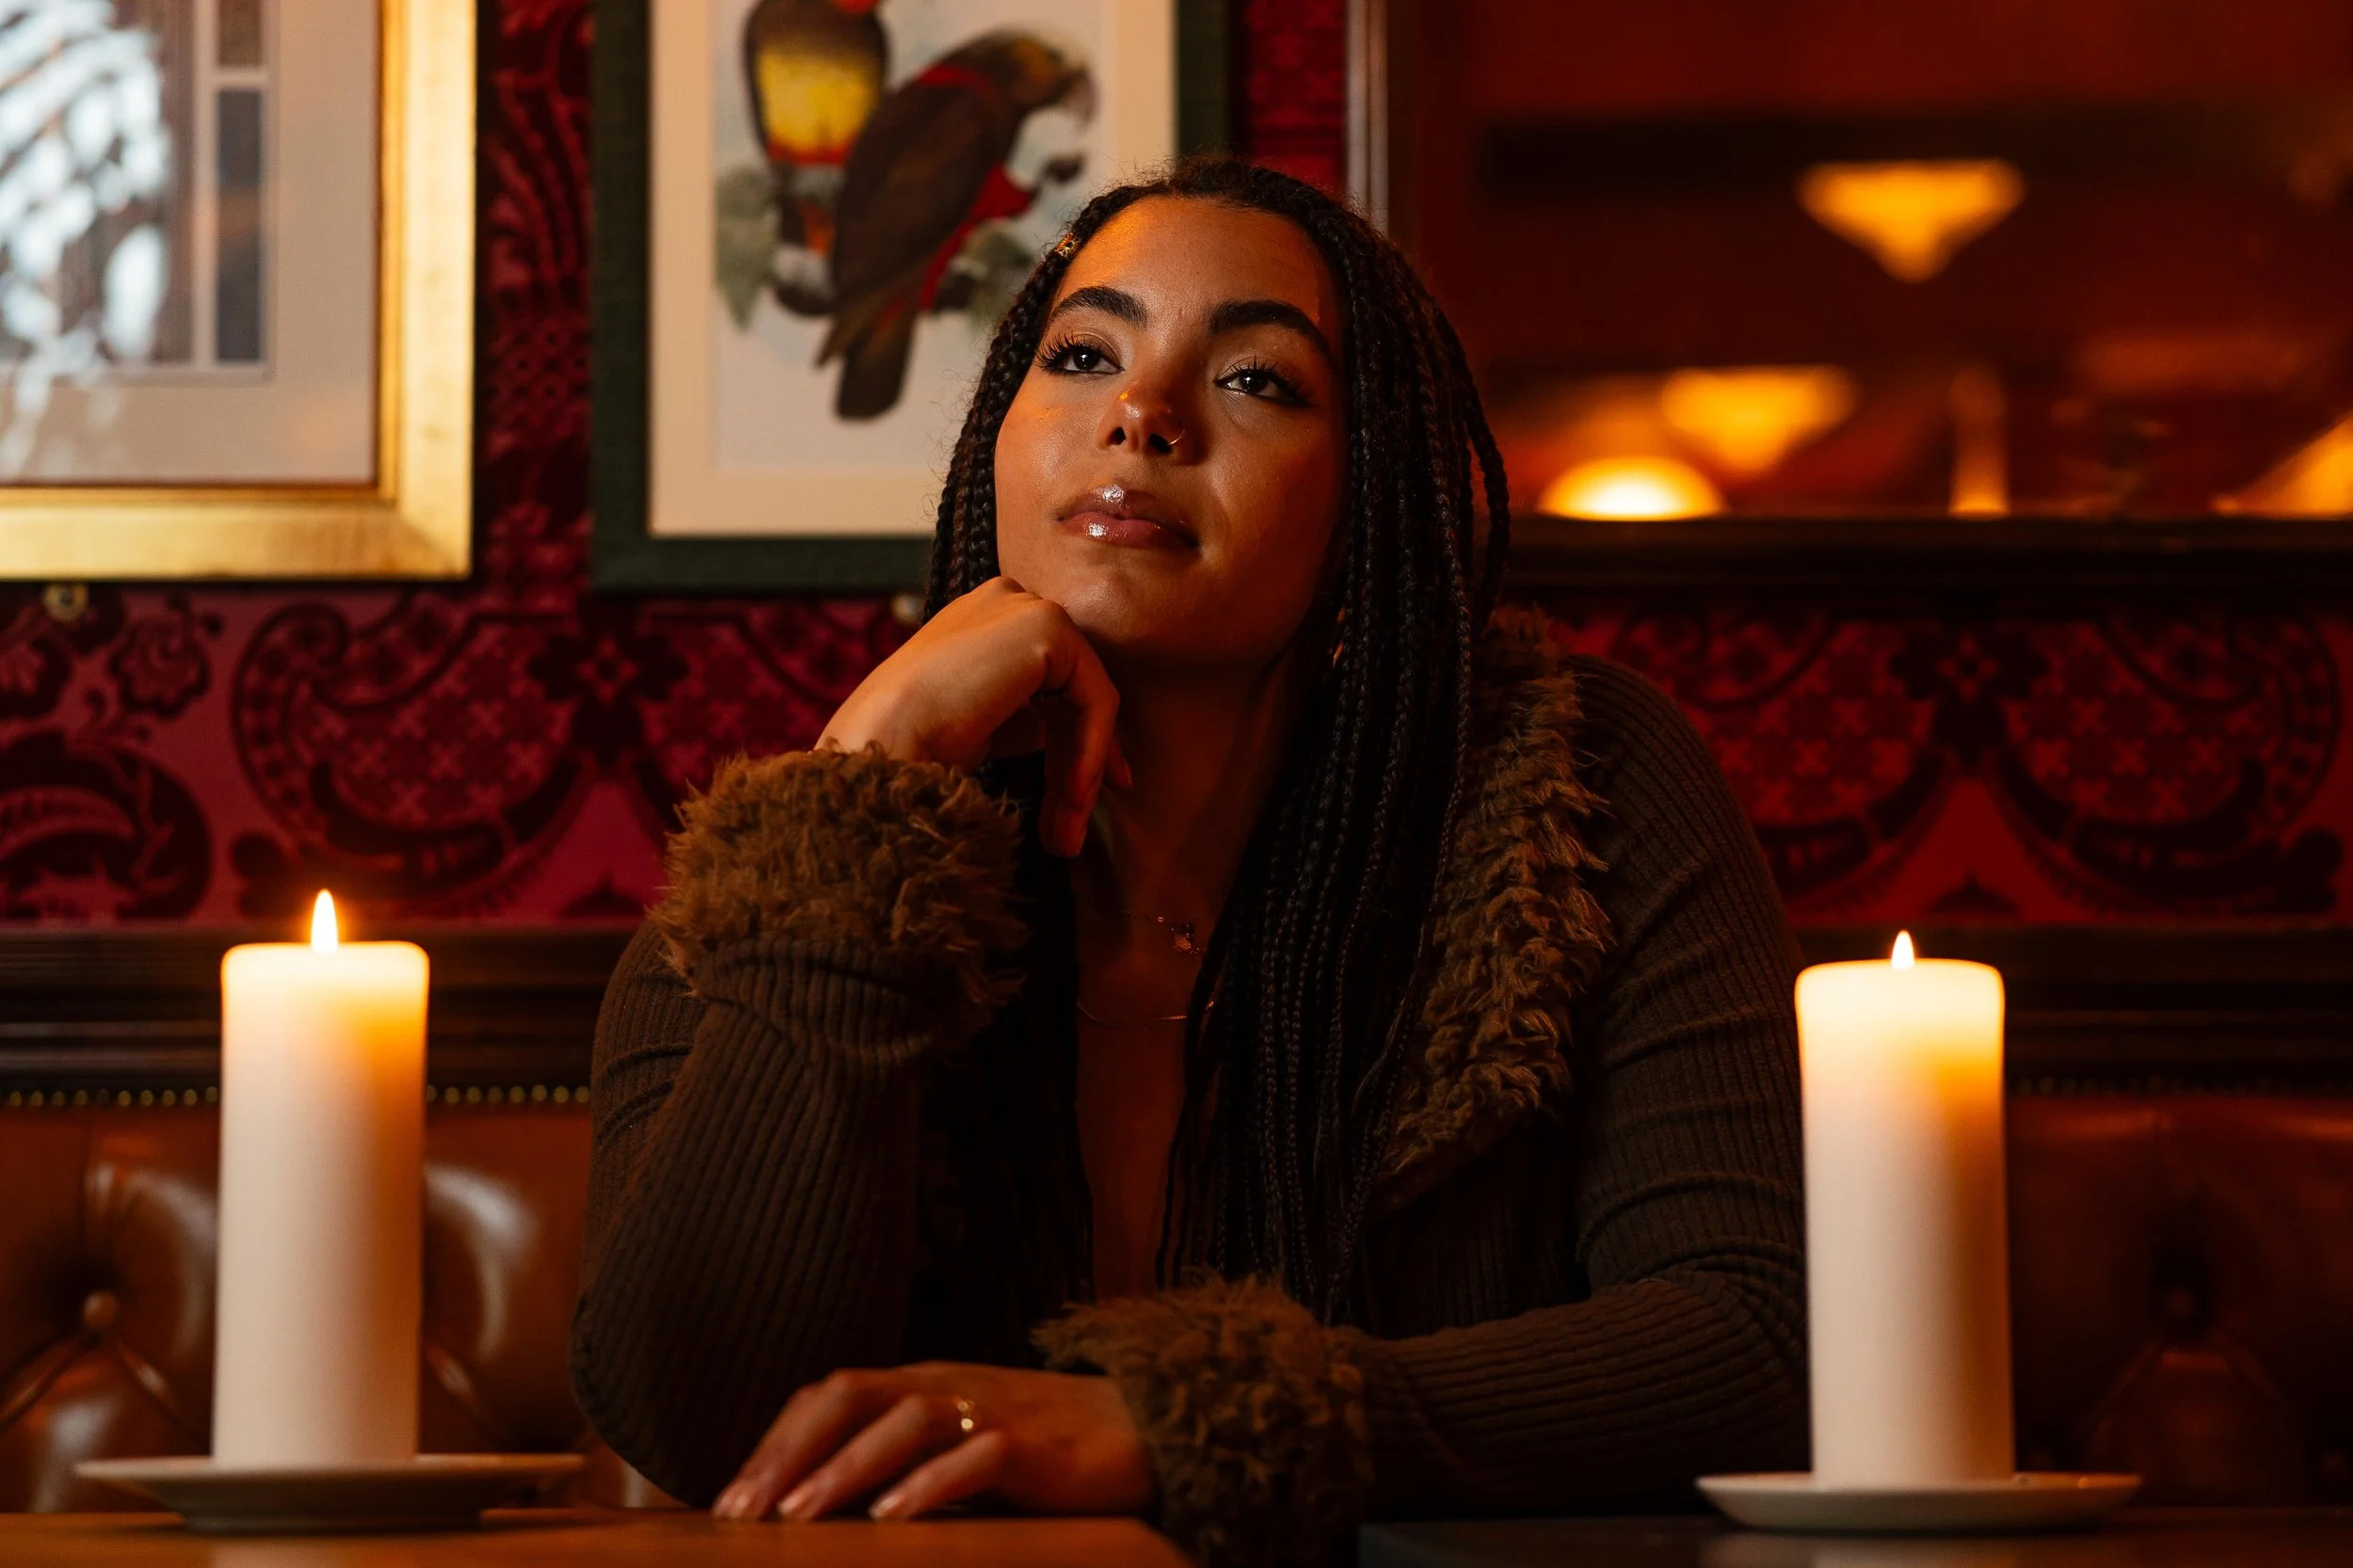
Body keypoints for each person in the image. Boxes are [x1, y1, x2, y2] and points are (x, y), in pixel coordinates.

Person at [571, 156, 1806, 1566]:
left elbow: (1751, 1332)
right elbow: (698, 1423)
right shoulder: (801, 856)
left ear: (1367, 510)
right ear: (999, 442)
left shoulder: (1573, 792)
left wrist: (1178, 1425)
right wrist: (866, 793)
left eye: (1258, 381)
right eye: (1085, 353)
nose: (1140, 413)